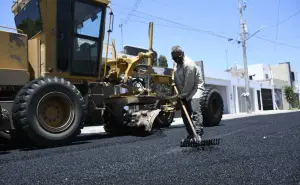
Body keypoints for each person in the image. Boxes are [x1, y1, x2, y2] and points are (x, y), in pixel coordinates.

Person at [171, 45, 205, 141]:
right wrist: (173, 80)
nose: (176, 60)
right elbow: (175, 75)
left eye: (178, 57)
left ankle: (198, 134)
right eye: (174, 58)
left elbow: (189, 83)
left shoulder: (188, 64)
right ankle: (191, 134)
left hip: (194, 89)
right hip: (183, 91)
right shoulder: (176, 63)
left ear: (182, 54)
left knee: (194, 109)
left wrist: (182, 96)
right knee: (184, 113)